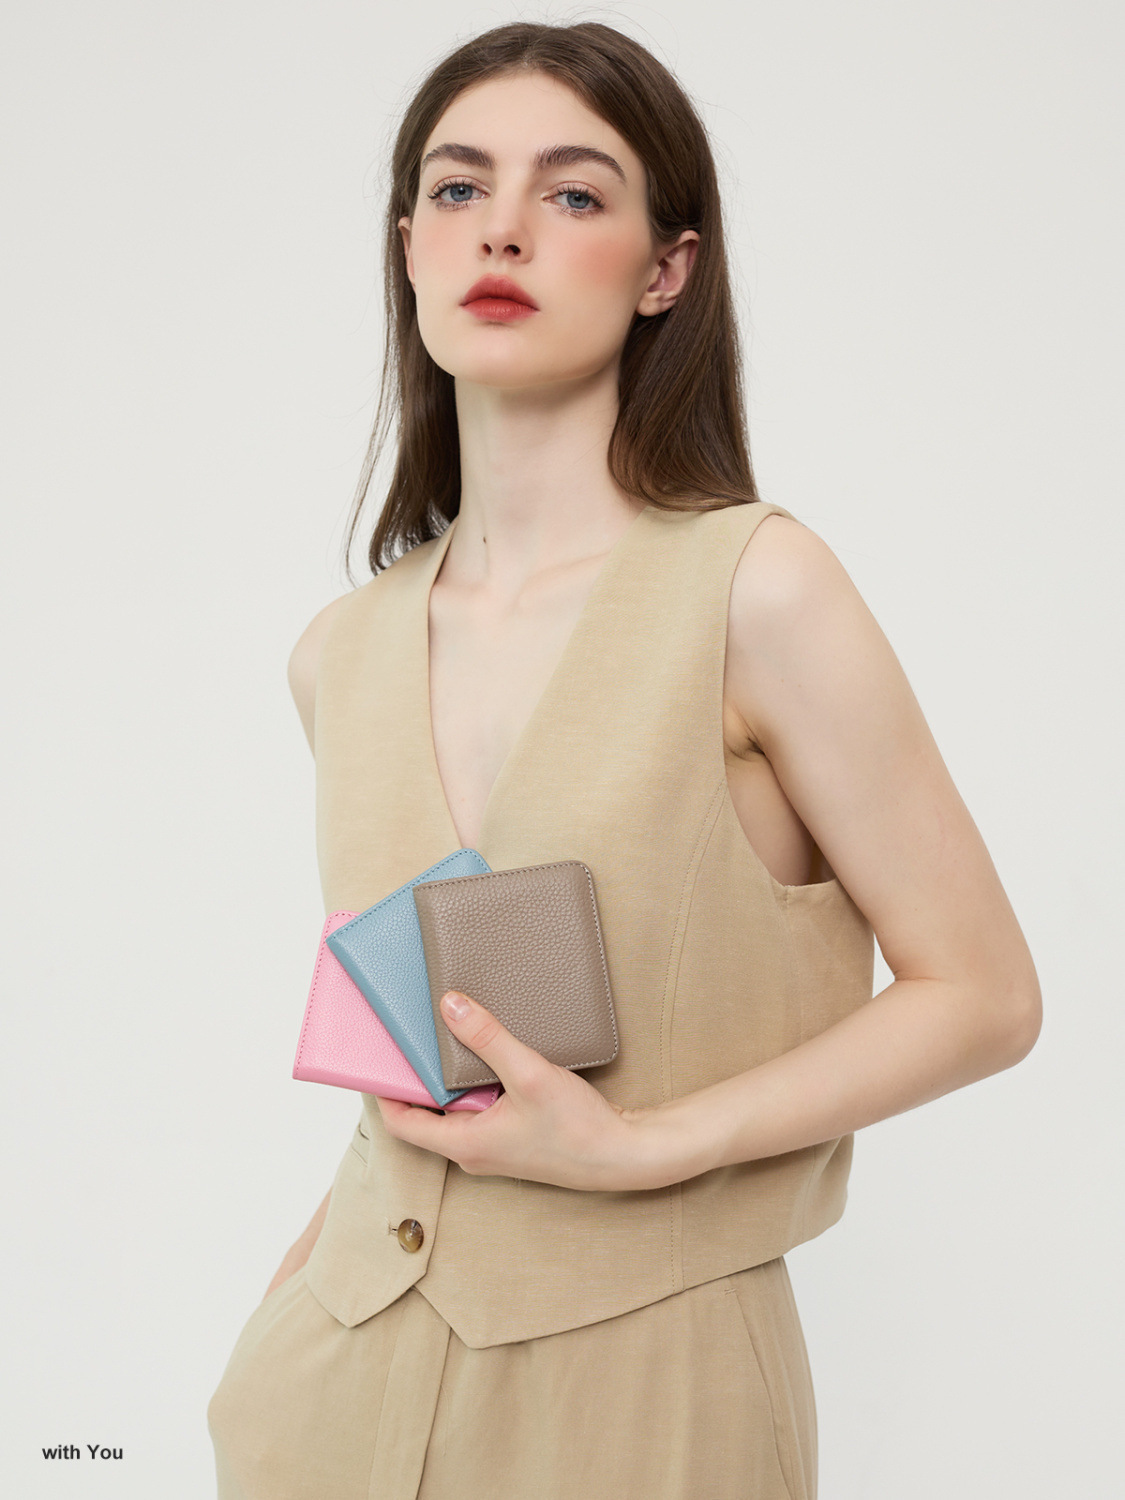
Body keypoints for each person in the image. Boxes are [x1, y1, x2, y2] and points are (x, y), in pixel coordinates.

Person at [206, 20, 1041, 1499]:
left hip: (650, 1399)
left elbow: (983, 994)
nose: (504, 229)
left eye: (575, 193)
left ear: (666, 269)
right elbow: (413, 1066)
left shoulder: (758, 593)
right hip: (327, 1395)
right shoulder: (338, 652)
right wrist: (255, 1361)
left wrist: (650, 1146)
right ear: (408, 247)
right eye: (458, 189)